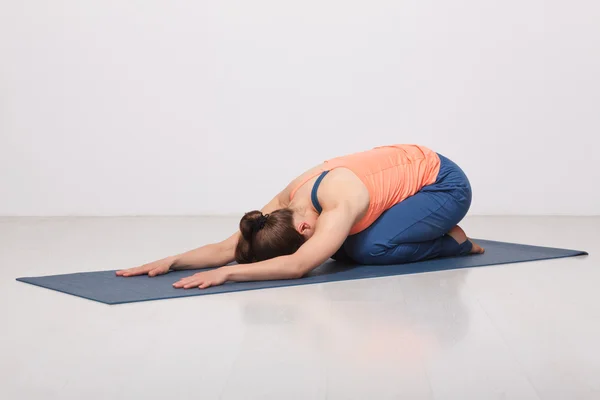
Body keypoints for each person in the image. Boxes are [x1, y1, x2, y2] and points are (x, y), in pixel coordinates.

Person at [117, 144, 484, 289]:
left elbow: (298, 266)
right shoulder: (285, 204)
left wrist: (227, 273)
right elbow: (231, 244)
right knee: (341, 249)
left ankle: (453, 241)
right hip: (408, 178)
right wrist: (173, 261)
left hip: (444, 185)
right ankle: (424, 226)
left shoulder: (339, 202)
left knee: (366, 250)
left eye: (306, 240)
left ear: (305, 228)